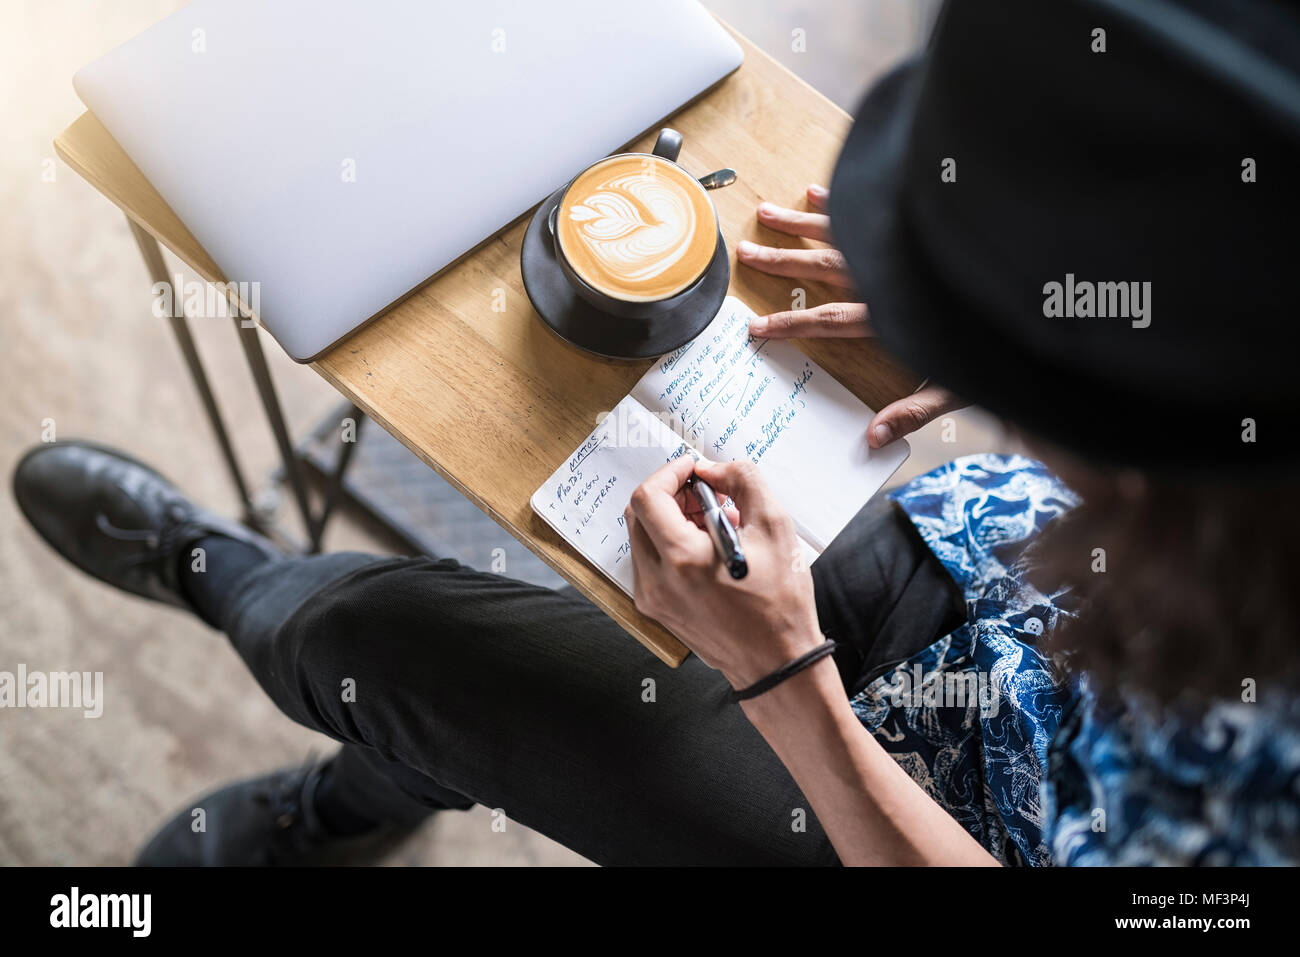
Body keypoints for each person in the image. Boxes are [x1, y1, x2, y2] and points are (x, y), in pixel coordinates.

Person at [13, 0, 1299, 865]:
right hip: (1013, 593)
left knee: (374, 641)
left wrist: (788, 681)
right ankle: (385, 777)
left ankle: (233, 610)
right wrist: (993, 324)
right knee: (517, 627)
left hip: (938, 834)